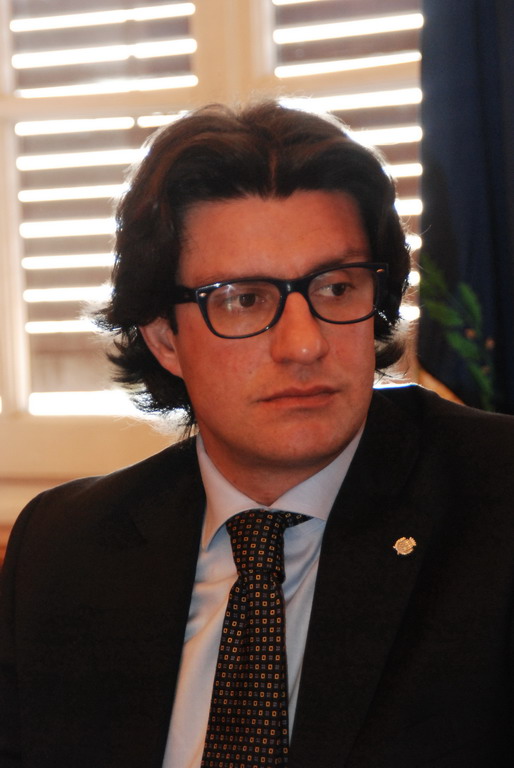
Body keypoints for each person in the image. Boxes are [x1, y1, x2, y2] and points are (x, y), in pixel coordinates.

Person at [1, 101, 514, 768]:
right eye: (243, 299)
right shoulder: (65, 550)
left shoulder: (496, 505)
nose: (304, 344)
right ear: (164, 337)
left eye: (336, 288)